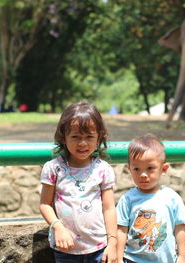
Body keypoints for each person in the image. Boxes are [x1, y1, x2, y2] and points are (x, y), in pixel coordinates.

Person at [39, 101, 117, 263]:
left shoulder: (103, 169)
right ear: (63, 137)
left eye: (89, 137)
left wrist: (113, 242)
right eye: (75, 136)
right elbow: (45, 204)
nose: (83, 143)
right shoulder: (54, 168)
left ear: (99, 137)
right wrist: (58, 227)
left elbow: (109, 208)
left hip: (99, 248)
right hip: (65, 248)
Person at [116, 133, 185, 263]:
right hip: (133, 259)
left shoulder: (172, 197)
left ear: (164, 168)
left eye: (150, 168)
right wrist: (118, 258)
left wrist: (182, 256)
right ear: (129, 169)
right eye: (137, 169)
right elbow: (121, 230)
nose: (143, 174)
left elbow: (180, 228)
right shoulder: (127, 199)